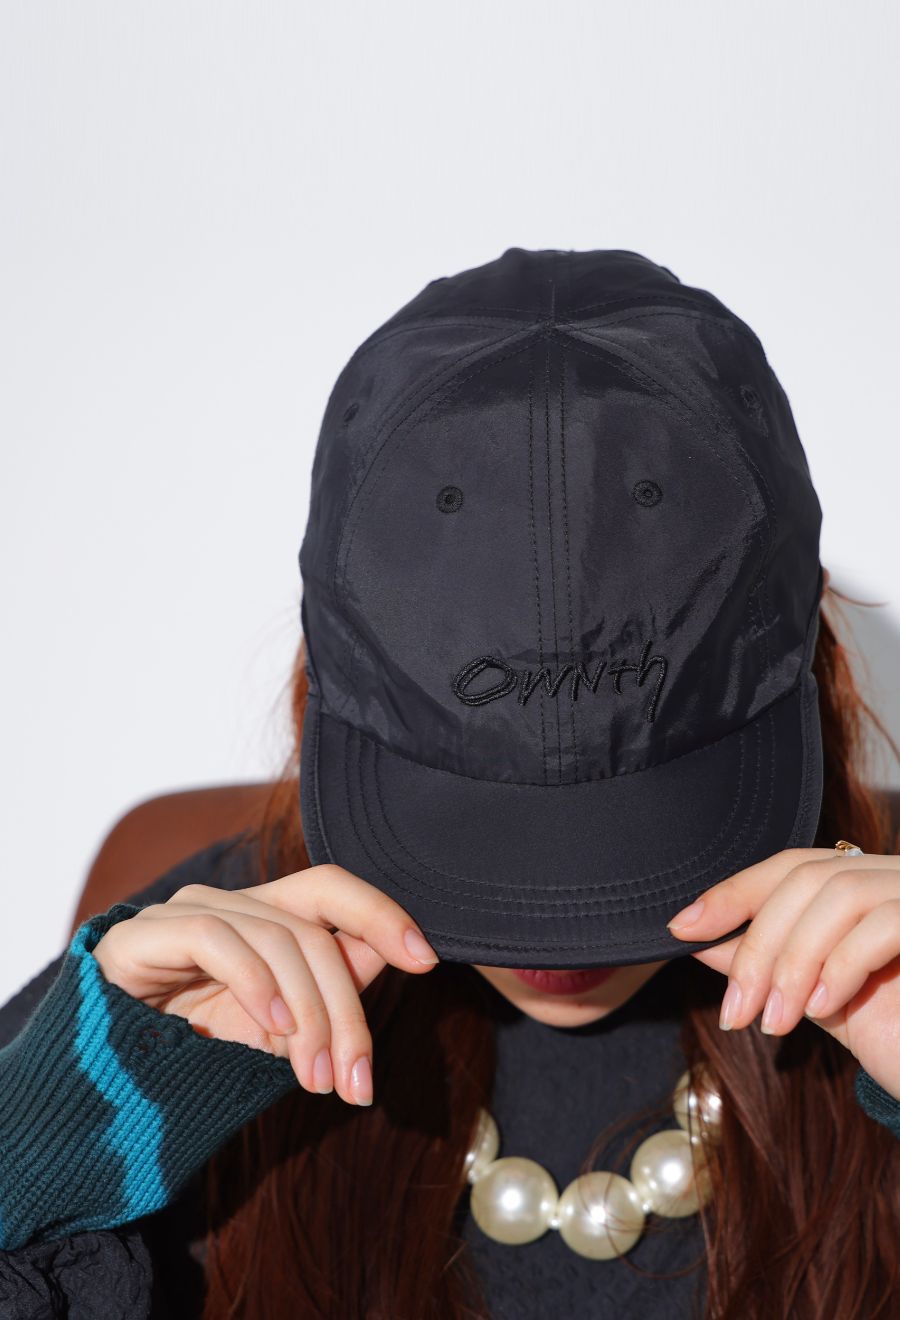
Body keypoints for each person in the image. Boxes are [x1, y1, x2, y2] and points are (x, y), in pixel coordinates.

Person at [1, 248, 898, 1320]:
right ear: (327, 676)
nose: (556, 924)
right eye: (481, 805)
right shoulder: (188, 987)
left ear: (808, 659)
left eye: (640, 796)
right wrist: (40, 1153)